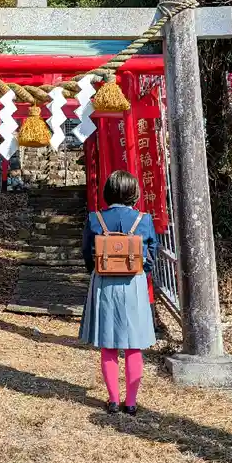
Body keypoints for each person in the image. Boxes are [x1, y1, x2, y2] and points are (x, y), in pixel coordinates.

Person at [79, 170, 158, 416]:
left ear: (108, 191)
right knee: (134, 346)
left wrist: (98, 270)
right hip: (133, 283)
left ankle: (113, 400)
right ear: (133, 192)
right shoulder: (143, 220)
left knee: (108, 344)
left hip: (104, 283)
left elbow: (86, 252)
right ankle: (131, 402)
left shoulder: (95, 219)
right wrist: (140, 270)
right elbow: (151, 254)